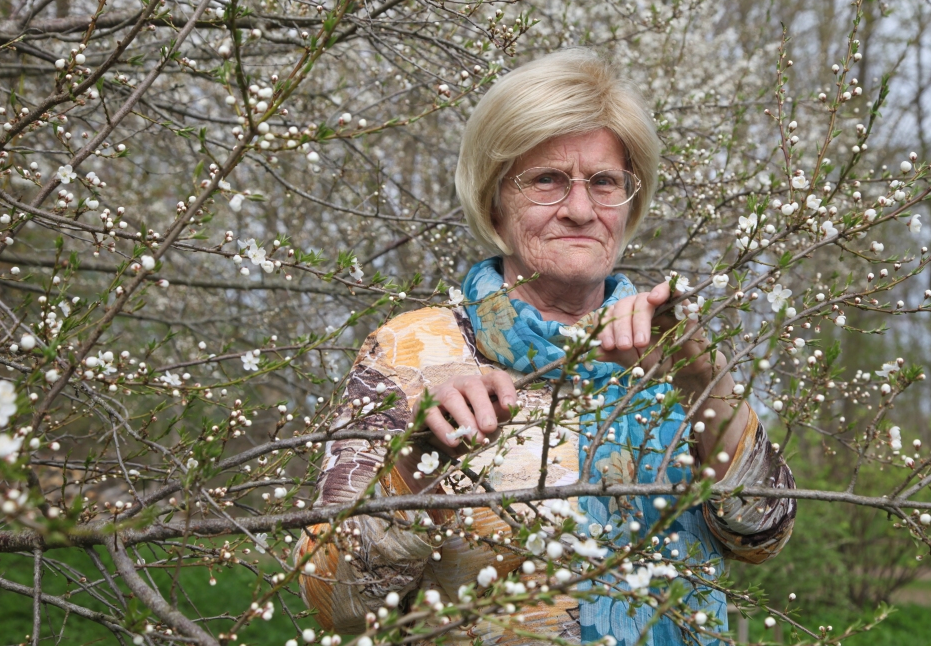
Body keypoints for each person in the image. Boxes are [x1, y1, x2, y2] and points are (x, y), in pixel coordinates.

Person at [296, 49, 795, 645]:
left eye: (605, 182)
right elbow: (333, 602)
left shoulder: (673, 343)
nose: (581, 209)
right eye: (547, 180)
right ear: (494, 203)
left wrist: (702, 379)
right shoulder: (411, 349)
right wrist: (414, 462)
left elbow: (762, 533)